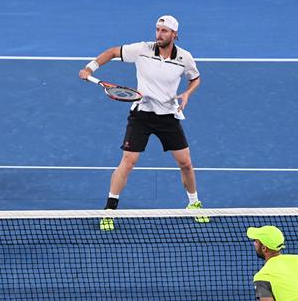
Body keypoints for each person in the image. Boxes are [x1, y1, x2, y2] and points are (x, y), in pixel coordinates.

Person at [79, 15, 207, 229]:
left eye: (164, 31)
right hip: (142, 114)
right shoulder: (142, 49)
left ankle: (194, 204)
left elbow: (195, 78)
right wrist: (90, 68)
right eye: (157, 29)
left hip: (168, 116)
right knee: (128, 161)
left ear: (175, 34)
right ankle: (109, 211)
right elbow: (112, 52)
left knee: (185, 163)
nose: (159, 34)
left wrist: (187, 94)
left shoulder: (185, 57)